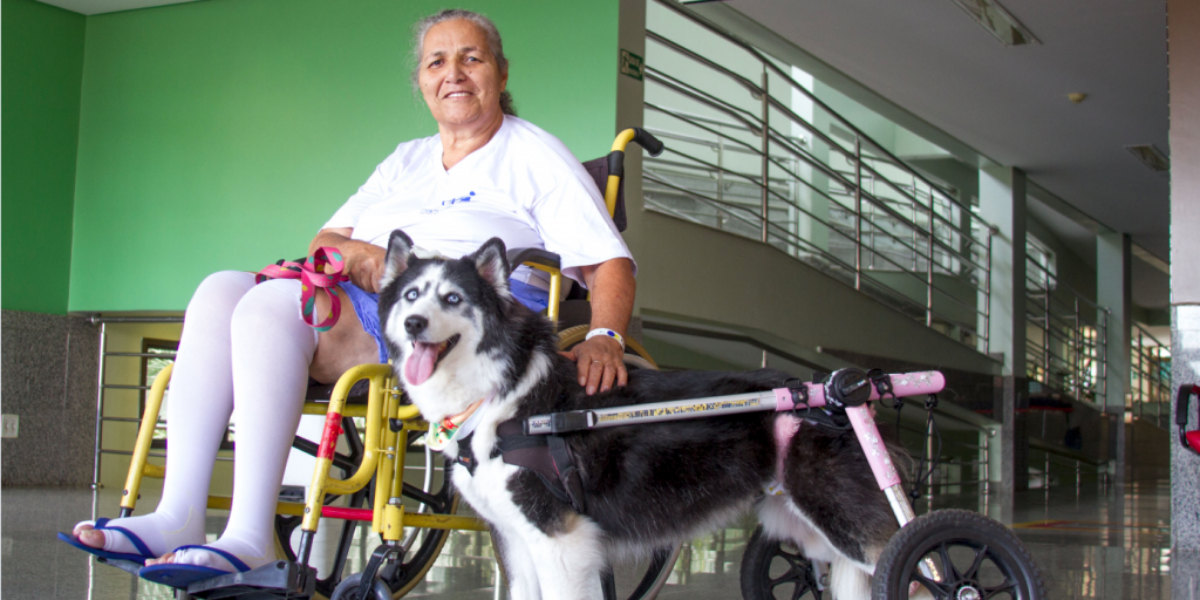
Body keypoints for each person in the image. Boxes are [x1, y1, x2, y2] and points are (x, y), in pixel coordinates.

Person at [65, 9, 636, 578]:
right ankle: (178, 515)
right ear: (421, 81)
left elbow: (609, 262)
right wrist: (360, 257)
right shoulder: (405, 159)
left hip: (463, 326)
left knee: (268, 308)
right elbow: (326, 239)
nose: (453, 73)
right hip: (369, 300)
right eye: (437, 61)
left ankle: (249, 536)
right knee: (219, 291)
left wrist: (607, 336)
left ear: (501, 73)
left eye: (472, 58)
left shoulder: (534, 155)